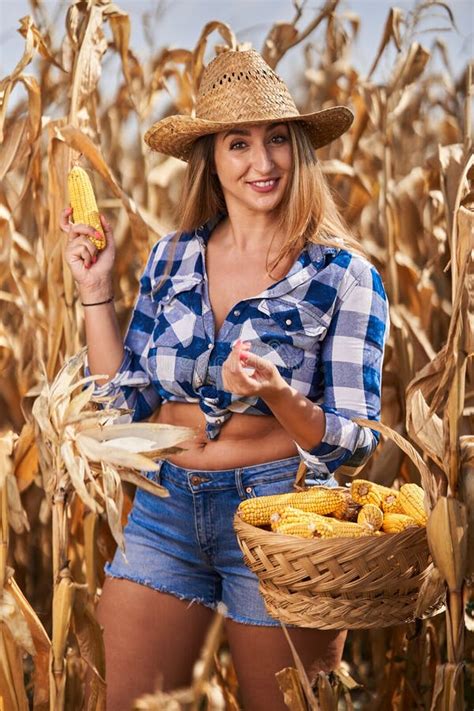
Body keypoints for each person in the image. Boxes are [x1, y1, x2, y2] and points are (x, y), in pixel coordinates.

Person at [60, 49, 390, 711]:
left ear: (300, 150)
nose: (262, 165)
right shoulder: (172, 257)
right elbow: (123, 406)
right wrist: (97, 294)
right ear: (209, 158)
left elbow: (357, 441)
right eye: (238, 144)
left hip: (282, 518)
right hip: (165, 506)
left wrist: (276, 392)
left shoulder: (344, 277)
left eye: (277, 142)